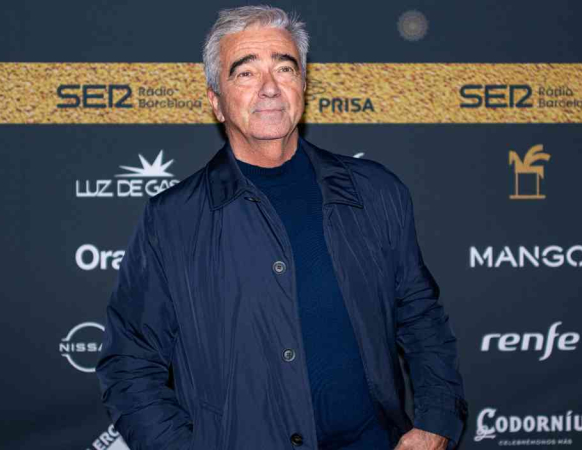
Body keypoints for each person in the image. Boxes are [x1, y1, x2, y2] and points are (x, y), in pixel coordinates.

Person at [96, 5, 467, 450]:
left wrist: (436, 422)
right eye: (245, 73)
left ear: (303, 86)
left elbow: (421, 316)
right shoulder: (171, 220)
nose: (270, 87)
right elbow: (130, 365)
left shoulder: (375, 192)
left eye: (285, 68)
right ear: (216, 101)